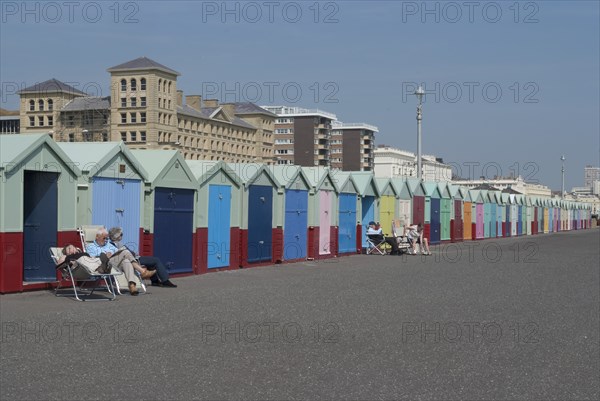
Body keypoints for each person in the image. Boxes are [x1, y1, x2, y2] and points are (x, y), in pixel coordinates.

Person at [86, 228, 156, 295]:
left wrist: (113, 254)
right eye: (103, 238)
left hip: (114, 264)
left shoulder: (109, 245)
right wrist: (105, 256)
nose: (105, 240)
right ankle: (142, 271)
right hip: (103, 265)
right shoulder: (90, 246)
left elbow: (118, 252)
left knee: (126, 261)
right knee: (125, 252)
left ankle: (132, 285)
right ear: (97, 237)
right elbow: (92, 259)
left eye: (106, 238)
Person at [108, 227, 177, 288]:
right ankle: (165, 281)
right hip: (133, 260)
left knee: (151, 261)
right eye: (121, 234)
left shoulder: (117, 243)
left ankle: (155, 281)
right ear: (116, 236)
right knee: (156, 260)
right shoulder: (115, 245)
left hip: (134, 258)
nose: (122, 236)